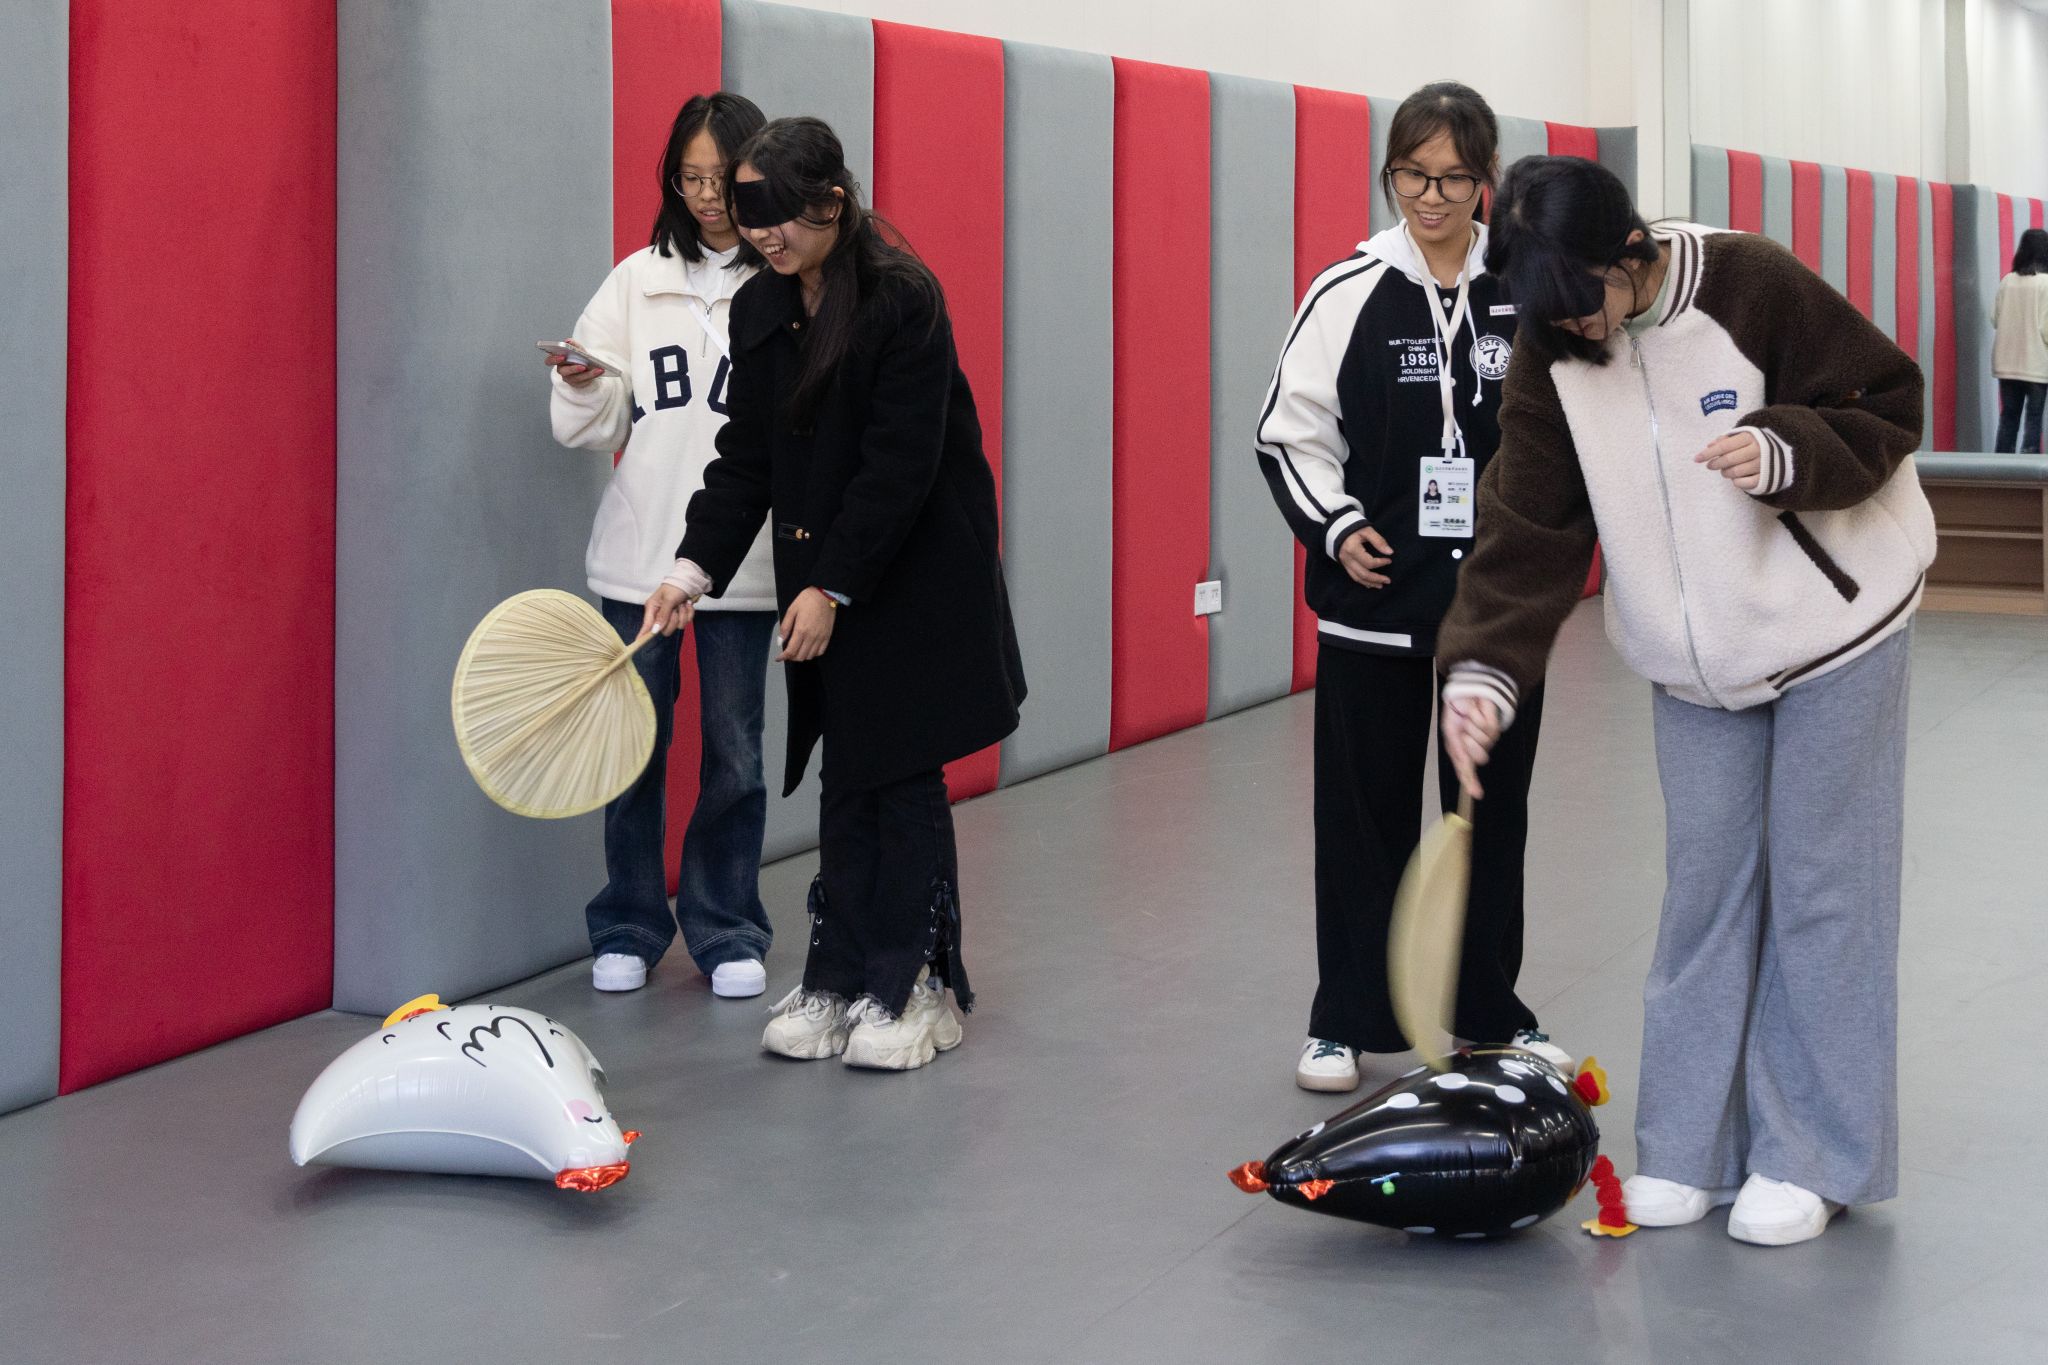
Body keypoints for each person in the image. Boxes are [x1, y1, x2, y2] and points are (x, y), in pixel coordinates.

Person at [1438, 155, 1931, 1247]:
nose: (1577, 332)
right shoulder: (1555, 343)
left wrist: (1784, 447)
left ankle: (1812, 1155)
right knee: (1703, 892)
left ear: (1631, 252)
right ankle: (1689, 1149)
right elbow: (1527, 522)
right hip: (1692, 665)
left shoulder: (1751, 282)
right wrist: (1480, 669)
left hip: (1833, 629)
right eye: (1549, 318)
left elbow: (1887, 398)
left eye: (1586, 305)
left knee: (1822, 893)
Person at [644, 116, 1026, 1072]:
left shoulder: (903, 299)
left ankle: (917, 982)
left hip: (913, 572)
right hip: (831, 571)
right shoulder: (762, 308)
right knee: (849, 771)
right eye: (750, 217)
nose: (762, 236)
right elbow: (746, 458)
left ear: (832, 203)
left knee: (899, 772)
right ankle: (840, 969)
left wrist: (831, 588)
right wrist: (691, 569)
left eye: (779, 217)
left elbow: (898, 468)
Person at [1256, 82, 1570, 1094]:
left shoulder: (1523, 291)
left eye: (1451, 179)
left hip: (1494, 617)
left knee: (1489, 818)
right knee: (1364, 820)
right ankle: (1345, 1018)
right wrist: (1337, 525)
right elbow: (1289, 434)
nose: (1429, 199)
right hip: (1373, 611)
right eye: (1410, 176)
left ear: (1487, 181)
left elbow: (1571, 430)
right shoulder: (1346, 289)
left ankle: (1487, 1012)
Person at [546, 92, 778, 999]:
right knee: (631, 747)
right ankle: (629, 922)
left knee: (735, 753)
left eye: (723, 179)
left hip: (744, 567)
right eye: (691, 179)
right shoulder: (636, 280)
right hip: (639, 559)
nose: (708, 197)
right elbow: (597, 418)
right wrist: (581, 381)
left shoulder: (782, 277)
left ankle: (727, 926)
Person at [1991, 226, 2048, 453]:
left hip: (2006, 364)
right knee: (2033, 420)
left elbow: (1994, 319)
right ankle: (2029, 467)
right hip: (2036, 364)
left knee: (2008, 418)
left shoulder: (2007, 281)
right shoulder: (2045, 283)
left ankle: (2001, 466)